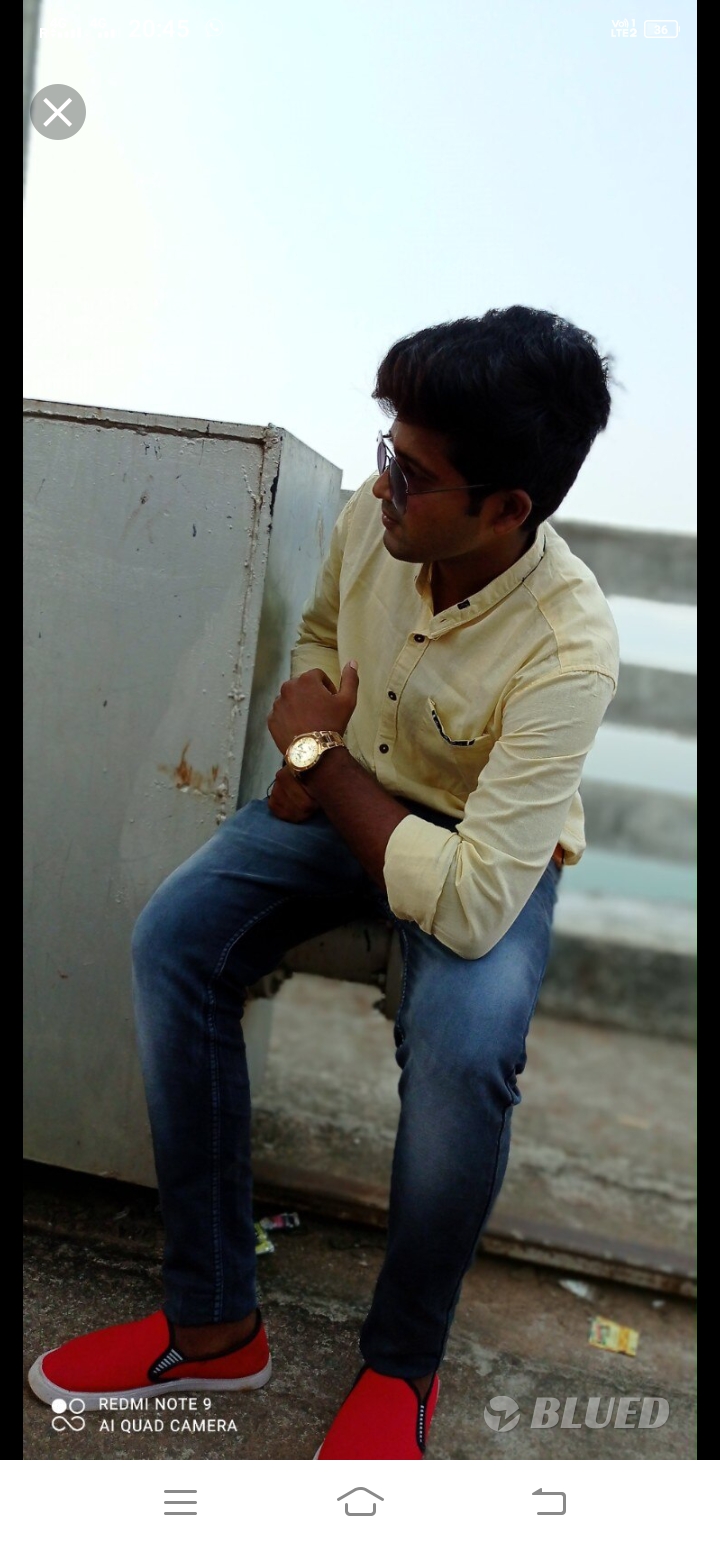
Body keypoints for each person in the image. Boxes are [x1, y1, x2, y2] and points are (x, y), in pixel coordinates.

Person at [28, 306, 619, 1459]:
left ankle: (401, 1365)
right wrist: (315, 759)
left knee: (466, 1053)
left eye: (418, 473)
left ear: (509, 508)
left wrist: (314, 759)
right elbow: (316, 634)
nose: (385, 483)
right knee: (176, 938)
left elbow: (473, 902)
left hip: (479, 846)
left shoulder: (569, 646)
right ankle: (212, 1323)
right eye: (388, 450)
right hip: (343, 786)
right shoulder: (375, 517)